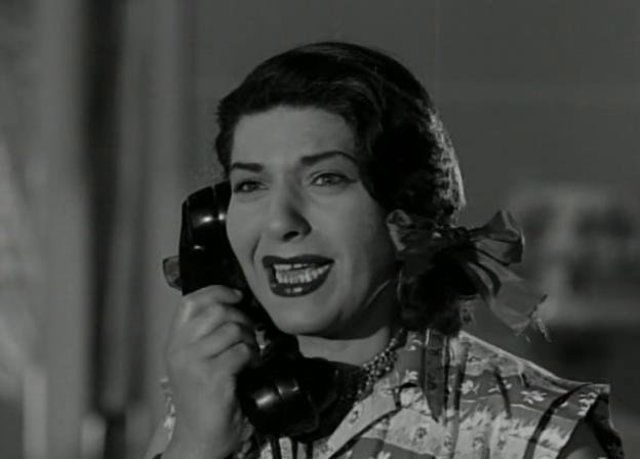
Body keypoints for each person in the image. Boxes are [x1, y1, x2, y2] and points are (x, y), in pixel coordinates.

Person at [144, 42, 623, 458]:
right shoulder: (206, 404)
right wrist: (195, 445)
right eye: (250, 184)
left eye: (326, 178)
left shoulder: (531, 435)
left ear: (406, 215)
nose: (279, 221)